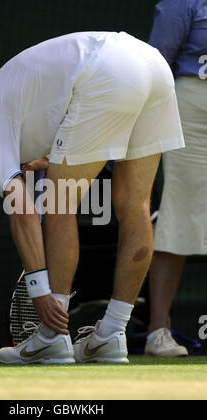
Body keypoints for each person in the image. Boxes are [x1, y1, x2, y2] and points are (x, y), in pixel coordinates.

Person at [0, 31, 184, 364]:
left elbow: (22, 209)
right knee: (137, 207)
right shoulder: (16, 110)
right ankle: (111, 334)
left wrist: (40, 294)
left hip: (108, 71)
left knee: (58, 202)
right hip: (155, 67)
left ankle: (52, 337)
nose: (9, 177)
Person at [145, 0, 207, 358]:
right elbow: (156, 62)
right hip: (192, 109)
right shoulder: (184, 2)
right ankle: (157, 330)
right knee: (180, 214)